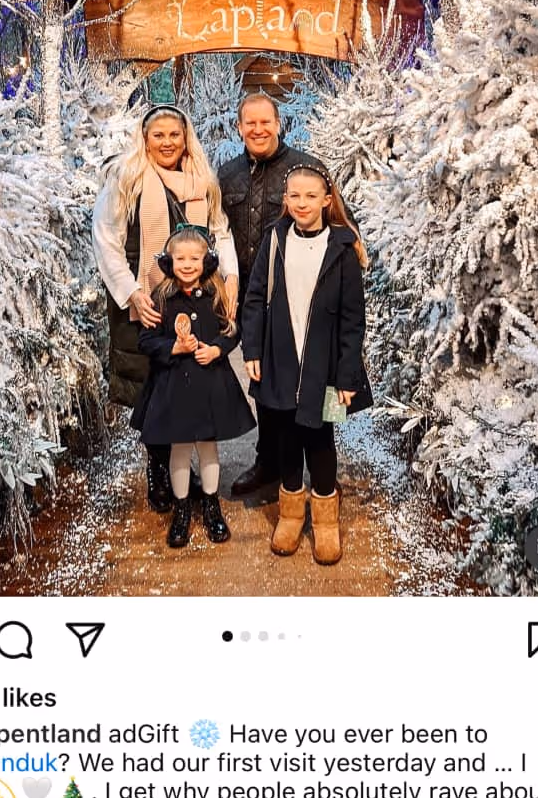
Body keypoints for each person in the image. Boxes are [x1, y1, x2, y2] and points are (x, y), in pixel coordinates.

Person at [92, 105, 239, 512]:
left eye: (174, 134)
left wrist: (230, 278)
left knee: (191, 381)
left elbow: (220, 232)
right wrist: (131, 293)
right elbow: (106, 238)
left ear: (185, 137)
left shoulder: (201, 180)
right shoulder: (127, 178)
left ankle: (190, 467)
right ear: (145, 138)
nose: (167, 142)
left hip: (194, 299)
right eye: (158, 135)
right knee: (153, 385)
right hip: (146, 300)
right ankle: (159, 468)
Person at [242, 165, 372, 564]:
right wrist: (252, 350)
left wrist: (347, 375)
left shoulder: (341, 249)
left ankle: (326, 520)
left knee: (320, 440)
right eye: (294, 196)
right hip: (281, 358)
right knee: (286, 438)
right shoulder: (275, 240)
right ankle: (291, 514)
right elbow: (255, 298)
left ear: (326, 201)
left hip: (325, 366)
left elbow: (353, 320)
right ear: (286, 199)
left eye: (310, 196)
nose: (302, 203)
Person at [217, 94, 330, 497]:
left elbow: (334, 224)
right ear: (239, 127)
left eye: (266, 121)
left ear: (279, 124)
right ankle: (269, 462)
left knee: (309, 379)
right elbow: (217, 232)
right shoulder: (227, 175)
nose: (258, 129)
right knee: (264, 383)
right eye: (250, 123)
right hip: (251, 299)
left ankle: (317, 464)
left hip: (298, 297)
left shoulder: (304, 168)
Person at [133, 227, 255, 548]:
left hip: (209, 384)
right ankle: (182, 509)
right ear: (170, 261)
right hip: (173, 387)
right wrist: (174, 347)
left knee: (208, 447)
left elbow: (232, 330)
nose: (187, 265)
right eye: (180, 259)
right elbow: (146, 340)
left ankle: (212, 506)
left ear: (206, 261)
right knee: (180, 448)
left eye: (194, 259)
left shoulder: (215, 294)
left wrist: (216, 349)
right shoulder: (161, 298)